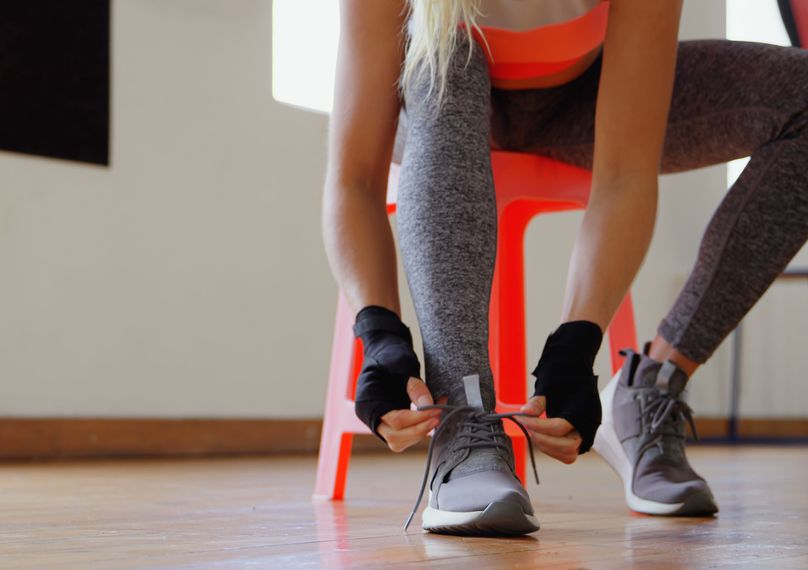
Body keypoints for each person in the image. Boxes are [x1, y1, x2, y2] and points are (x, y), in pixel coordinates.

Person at [323, 0, 808, 536]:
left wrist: (575, 349)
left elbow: (624, 174)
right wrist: (381, 335)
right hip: (436, 109)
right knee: (449, 59)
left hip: (580, 100)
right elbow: (354, 180)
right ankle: (464, 411)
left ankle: (653, 386)